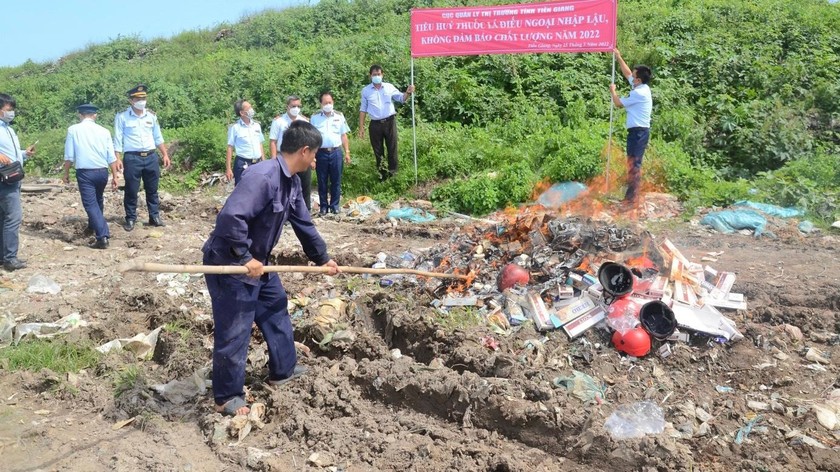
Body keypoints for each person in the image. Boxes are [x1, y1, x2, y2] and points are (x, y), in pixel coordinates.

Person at [202, 120, 340, 416]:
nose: (315, 160)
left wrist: (322, 258)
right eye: (314, 154)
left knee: (276, 306)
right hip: (230, 262)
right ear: (304, 151)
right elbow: (230, 218)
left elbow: (304, 224)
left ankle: (284, 371)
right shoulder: (262, 177)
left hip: (259, 262)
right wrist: (243, 256)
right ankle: (226, 397)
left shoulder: (291, 181)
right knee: (235, 327)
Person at [113, 84, 171, 231]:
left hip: (151, 156)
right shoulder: (122, 117)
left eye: (144, 98)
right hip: (132, 158)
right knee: (132, 189)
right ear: (131, 100)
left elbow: (158, 137)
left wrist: (164, 154)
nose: (142, 101)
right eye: (138, 98)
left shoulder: (151, 116)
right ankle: (131, 218)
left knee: (152, 189)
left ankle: (154, 217)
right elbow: (118, 139)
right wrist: (117, 158)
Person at [63, 104, 120, 249]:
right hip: (102, 171)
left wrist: (66, 173)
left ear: (80, 115)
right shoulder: (104, 131)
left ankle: (102, 236)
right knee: (98, 200)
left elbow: (69, 155)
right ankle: (93, 226)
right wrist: (115, 176)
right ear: (95, 115)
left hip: (85, 172)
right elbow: (111, 156)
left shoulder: (73, 130)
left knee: (90, 204)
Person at [609, 48, 653, 206]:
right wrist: (619, 57)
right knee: (632, 163)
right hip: (636, 132)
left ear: (639, 80)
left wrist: (613, 91)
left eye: (634, 77)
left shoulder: (639, 94)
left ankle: (631, 200)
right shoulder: (641, 87)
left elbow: (618, 103)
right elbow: (627, 73)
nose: (631, 78)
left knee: (634, 164)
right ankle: (630, 198)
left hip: (639, 133)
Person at [357, 64, 415, 181]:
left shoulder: (389, 87)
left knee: (392, 148)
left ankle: (393, 175)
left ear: (382, 75)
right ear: (370, 76)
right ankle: (382, 176)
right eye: (374, 75)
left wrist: (408, 93)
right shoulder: (366, 91)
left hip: (389, 122)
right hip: (375, 124)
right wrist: (361, 128)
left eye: (378, 74)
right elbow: (363, 110)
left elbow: (401, 98)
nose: (377, 76)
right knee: (378, 151)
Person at [0, 93, 35, 271]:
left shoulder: (8, 128)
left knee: (3, 218)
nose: (11, 113)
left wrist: (23, 154)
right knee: (13, 218)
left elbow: (9, 154)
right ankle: (10, 258)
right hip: (4, 180)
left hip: (13, 176)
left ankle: (2, 256)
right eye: (8, 110)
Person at [269, 96, 313, 211]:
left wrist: (312, 159)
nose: (296, 108)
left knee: (304, 186)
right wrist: (274, 160)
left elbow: (309, 141)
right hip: (284, 158)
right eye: (293, 106)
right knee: (285, 186)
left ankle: (305, 212)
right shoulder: (278, 121)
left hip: (302, 158)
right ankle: (285, 213)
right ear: (287, 106)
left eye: (298, 106)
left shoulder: (304, 121)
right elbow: (273, 141)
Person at [310, 92, 351, 216]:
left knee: (336, 180)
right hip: (321, 153)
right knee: (322, 181)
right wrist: (312, 157)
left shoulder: (339, 116)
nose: (328, 105)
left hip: (336, 152)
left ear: (333, 103)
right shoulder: (315, 118)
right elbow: (311, 139)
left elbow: (343, 135)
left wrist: (347, 152)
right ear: (321, 104)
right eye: (325, 103)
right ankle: (323, 207)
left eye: (330, 102)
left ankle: (334, 206)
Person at [225, 99, 265, 185]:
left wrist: (264, 161)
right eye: (249, 108)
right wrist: (228, 168)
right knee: (242, 190)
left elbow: (260, 144)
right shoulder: (235, 128)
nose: (252, 110)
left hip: (257, 162)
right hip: (243, 163)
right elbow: (230, 147)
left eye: (251, 107)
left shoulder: (256, 125)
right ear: (242, 113)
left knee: (258, 189)